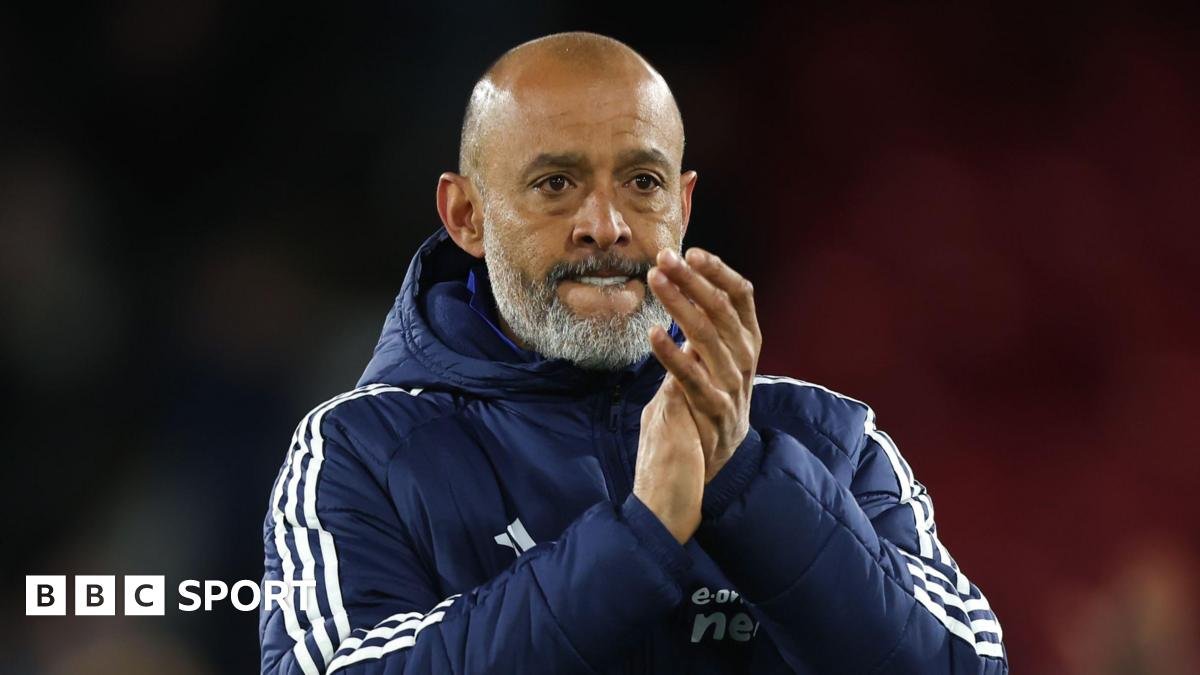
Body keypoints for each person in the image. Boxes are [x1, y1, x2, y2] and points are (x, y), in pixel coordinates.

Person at [259, 31, 1007, 675]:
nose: (606, 224)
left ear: (681, 205)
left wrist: (747, 478)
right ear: (467, 216)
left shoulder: (830, 439)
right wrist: (635, 541)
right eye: (556, 183)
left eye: (642, 182)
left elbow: (966, 663)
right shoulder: (360, 450)